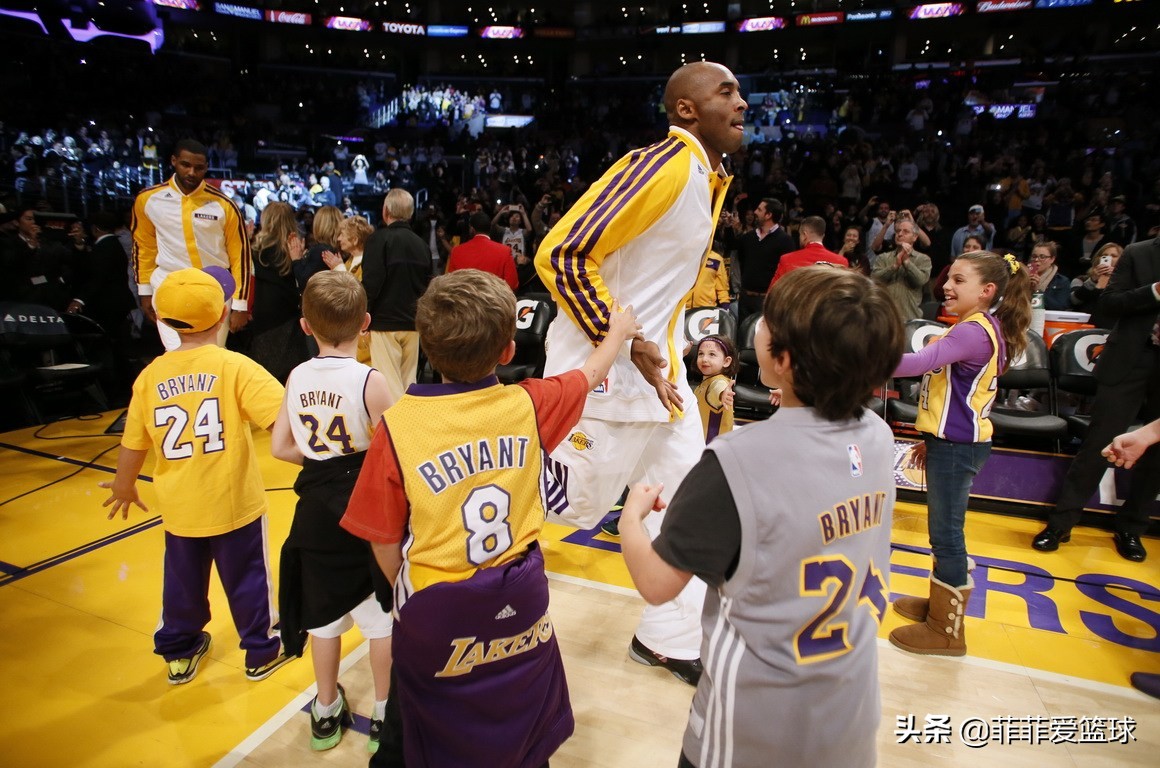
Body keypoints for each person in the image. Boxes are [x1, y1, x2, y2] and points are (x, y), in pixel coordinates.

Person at [340, 270, 640, 768]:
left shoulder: (397, 427)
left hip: (438, 604)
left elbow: (382, 537)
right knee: (522, 731)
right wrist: (617, 332)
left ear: (429, 349)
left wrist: (406, 588)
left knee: (415, 734)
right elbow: (589, 375)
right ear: (507, 350)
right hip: (520, 598)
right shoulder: (529, 403)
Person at [619, 268, 903, 768]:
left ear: (784, 359)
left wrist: (631, 517)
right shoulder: (879, 437)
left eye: (768, 321)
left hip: (752, 728)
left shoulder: (735, 460)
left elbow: (657, 583)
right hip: (851, 710)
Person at [534, 61, 746, 686]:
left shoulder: (709, 176)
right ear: (686, 109)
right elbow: (562, 253)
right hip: (600, 374)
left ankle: (668, 637)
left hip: (658, 373)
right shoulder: (664, 165)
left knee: (684, 497)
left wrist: (660, 351)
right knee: (556, 505)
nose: (742, 102)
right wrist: (623, 341)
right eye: (726, 92)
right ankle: (429, 582)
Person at [99, 267, 293, 685]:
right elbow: (284, 418)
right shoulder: (234, 366)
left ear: (162, 320)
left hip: (180, 507)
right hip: (234, 502)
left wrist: (123, 484)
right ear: (225, 313)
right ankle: (261, 649)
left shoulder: (149, 377)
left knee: (182, 584)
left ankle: (180, 650)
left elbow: (135, 441)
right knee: (248, 579)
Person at [270, 271, 395, 753]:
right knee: (382, 618)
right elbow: (393, 453)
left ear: (305, 326)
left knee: (322, 619)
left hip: (315, 510)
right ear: (365, 323)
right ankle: (385, 711)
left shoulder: (297, 376)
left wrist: (324, 461)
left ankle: (324, 710)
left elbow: (282, 446)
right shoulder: (371, 379)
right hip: (364, 509)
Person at [890, 251, 1031, 655]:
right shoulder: (981, 326)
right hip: (953, 442)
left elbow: (920, 362)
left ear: (987, 291)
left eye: (959, 280)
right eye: (948, 277)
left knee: (947, 537)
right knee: (944, 534)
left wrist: (859, 357)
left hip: (958, 447)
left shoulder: (971, 332)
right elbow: (956, 397)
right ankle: (938, 607)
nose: (946, 286)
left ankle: (947, 631)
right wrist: (930, 438)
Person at [1032, 235, 1160, 562]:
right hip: (1132, 358)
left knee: (1157, 451)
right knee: (1098, 442)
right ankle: (1061, 522)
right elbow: (1109, 304)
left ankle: (1132, 527)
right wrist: (1154, 292)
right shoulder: (1139, 252)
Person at [132, 139, 252, 351]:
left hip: (215, 289)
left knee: (212, 356)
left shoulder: (224, 205)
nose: (191, 172)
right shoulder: (148, 200)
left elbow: (240, 256)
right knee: (177, 355)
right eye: (185, 165)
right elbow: (144, 248)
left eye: (199, 168)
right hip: (169, 285)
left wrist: (241, 305)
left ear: (206, 167)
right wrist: (144, 292)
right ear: (174, 161)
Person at [362, 188, 432, 402]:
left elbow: (372, 283)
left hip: (384, 322)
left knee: (388, 385)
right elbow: (428, 285)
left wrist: (363, 316)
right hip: (413, 322)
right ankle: (408, 429)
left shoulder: (379, 239)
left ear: (385, 211)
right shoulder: (422, 244)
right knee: (408, 383)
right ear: (410, 214)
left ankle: (394, 432)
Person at [248, 202, 308, 382]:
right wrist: (298, 261)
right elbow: (303, 285)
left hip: (261, 323)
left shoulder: (253, 251)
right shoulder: (294, 251)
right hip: (288, 323)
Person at [322, 215, 375, 364]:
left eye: (342, 235)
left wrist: (339, 269)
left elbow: (357, 292)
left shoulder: (367, 263)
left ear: (355, 239)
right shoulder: (349, 262)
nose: (338, 239)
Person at [735, 197, 794, 321]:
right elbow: (740, 258)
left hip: (767, 300)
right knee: (742, 335)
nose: (755, 212)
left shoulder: (785, 241)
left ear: (768, 215)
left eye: (759, 209)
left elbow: (786, 273)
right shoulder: (748, 237)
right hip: (745, 298)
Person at [871, 217, 932, 322]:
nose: (899, 234)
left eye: (906, 231)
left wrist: (907, 263)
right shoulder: (883, 257)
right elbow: (874, 279)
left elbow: (921, 280)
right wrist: (894, 267)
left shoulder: (923, 259)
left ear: (915, 237)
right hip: (884, 317)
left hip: (910, 317)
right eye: (898, 231)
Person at [446, 211, 518, 291]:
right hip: (494, 301)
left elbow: (451, 284)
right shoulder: (505, 251)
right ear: (489, 228)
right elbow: (512, 284)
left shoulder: (457, 251)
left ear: (472, 229)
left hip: (465, 301)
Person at [769, 215, 847, 287]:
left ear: (804, 235)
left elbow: (773, 293)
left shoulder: (787, 259)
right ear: (823, 236)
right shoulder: (841, 262)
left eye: (799, 234)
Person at [692, 334, 737, 444]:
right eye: (701, 354)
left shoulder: (719, 382)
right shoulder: (706, 381)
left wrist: (722, 394)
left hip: (711, 445)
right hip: (701, 441)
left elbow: (718, 389)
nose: (704, 359)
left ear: (726, 361)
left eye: (712, 354)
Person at [1069, 242, 1122, 328]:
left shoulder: (1125, 281)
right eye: (1105, 255)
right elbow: (1074, 300)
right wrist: (1093, 280)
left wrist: (1115, 277)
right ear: (1098, 259)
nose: (1109, 258)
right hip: (1086, 326)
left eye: (1114, 256)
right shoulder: (1081, 280)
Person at [930, 234, 986, 304]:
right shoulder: (950, 268)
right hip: (949, 310)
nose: (970, 250)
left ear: (982, 251)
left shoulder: (985, 272)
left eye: (975, 247)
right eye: (967, 246)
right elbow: (937, 291)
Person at [1028, 241, 1071, 310]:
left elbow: (1061, 307)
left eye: (1042, 257)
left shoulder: (1062, 281)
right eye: (1034, 256)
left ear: (1052, 259)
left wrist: (1037, 291)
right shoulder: (1022, 277)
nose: (1036, 260)